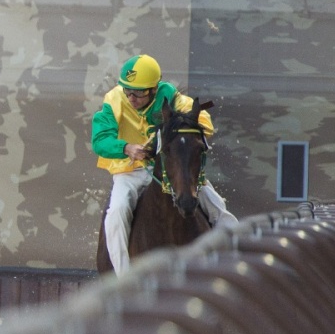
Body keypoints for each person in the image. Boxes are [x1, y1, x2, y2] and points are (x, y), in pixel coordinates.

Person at [92, 54, 237, 274]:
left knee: (215, 205)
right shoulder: (113, 101)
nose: (131, 98)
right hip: (129, 171)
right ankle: (123, 278)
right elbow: (100, 139)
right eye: (127, 91)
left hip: (168, 168)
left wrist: (178, 124)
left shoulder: (170, 96)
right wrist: (126, 148)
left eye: (138, 93)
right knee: (117, 211)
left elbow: (204, 123)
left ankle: (239, 263)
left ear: (153, 89)